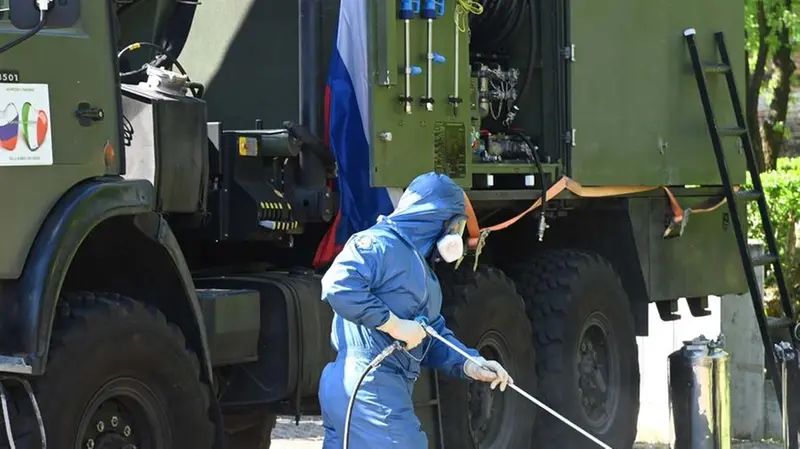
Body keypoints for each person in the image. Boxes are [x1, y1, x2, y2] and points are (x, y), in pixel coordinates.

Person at [318, 171, 513, 448]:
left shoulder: (420, 269)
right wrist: (393, 325)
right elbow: (338, 286)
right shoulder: (378, 244)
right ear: (438, 218)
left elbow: (432, 335)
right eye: (457, 226)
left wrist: (471, 363)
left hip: (360, 387)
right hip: (371, 386)